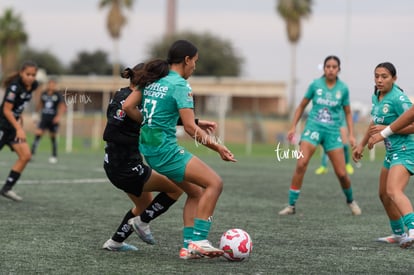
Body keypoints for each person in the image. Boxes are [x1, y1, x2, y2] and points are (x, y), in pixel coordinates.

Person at [123, 40, 237, 259]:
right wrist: (218, 147)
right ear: (186, 60)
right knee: (215, 183)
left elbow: (127, 106)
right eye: (195, 61)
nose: (195, 66)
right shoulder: (180, 85)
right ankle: (199, 241)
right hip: (166, 152)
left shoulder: (152, 79)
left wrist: (148, 122)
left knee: (195, 192)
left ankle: (187, 248)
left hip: (150, 151)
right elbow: (190, 128)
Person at [102, 64, 187, 252]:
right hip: (126, 168)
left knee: (144, 205)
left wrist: (195, 122)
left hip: (116, 164)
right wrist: (142, 134)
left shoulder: (122, 94)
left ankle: (115, 242)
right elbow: (111, 133)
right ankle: (141, 222)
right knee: (176, 188)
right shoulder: (131, 101)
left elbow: (155, 117)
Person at [278, 55, 361, 216]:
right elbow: (301, 106)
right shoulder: (315, 85)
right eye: (328, 66)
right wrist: (293, 127)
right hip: (313, 128)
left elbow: (348, 113)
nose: (330, 69)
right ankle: (291, 205)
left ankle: (351, 201)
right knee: (301, 164)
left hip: (332, 132)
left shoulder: (343, 89)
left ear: (338, 70)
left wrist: (351, 135)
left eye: (334, 67)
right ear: (324, 69)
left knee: (342, 173)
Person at [354, 62, 414, 248]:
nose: (379, 80)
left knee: (393, 191)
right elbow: (375, 122)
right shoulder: (377, 96)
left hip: (406, 150)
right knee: (383, 195)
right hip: (391, 152)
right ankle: (398, 234)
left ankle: (412, 231)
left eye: (384, 76)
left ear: (394, 79)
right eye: (377, 76)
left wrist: (387, 131)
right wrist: (361, 144)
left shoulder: (399, 98)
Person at [0, 61, 39, 202]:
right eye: (28, 74)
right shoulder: (14, 87)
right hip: (3, 126)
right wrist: (19, 128)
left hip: (12, 127)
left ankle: (7, 189)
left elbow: (19, 104)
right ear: (22, 73)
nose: (30, 77)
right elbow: (6, 110)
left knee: (26, 156)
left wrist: (19, 116)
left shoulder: (34, 85)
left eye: (33, 75)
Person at [31, 78, 65, 164]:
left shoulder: (58, 95)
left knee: (53, 137)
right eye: (50, 84)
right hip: (44, 118)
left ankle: (54, 155)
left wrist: (58, 117)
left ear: (55, 85)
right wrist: (35, 114)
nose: (51, 86)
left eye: (53, 84)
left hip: (53, 120)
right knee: (38, 134)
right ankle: (31, 154)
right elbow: (40, 104)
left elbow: (62, 106)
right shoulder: (44, 94)